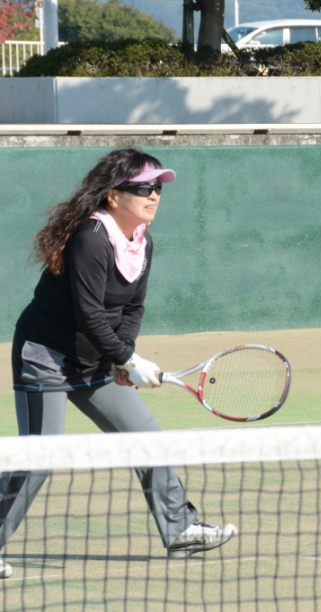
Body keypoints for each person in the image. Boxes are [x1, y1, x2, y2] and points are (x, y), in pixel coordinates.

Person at [0, 148, 237, 579]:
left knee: (146, 438)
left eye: (158, 188)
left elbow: (132, 308)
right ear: (113, 195)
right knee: (39, 456)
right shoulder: (91, 239)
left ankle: (180, 530)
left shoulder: (143, 242)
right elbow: (90, 313)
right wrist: (128, 358)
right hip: (46, 355)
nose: (154, 195)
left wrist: (122, 358)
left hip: (93, 360)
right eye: (143, 188)